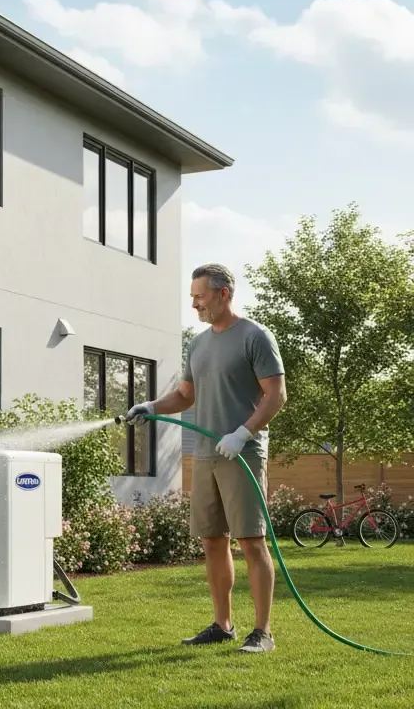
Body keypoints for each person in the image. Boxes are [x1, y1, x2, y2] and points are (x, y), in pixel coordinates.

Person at [126, 263, 287, 654]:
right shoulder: (197, 343)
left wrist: (243, 432)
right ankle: (222, 624)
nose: (194, 303)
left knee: (251, 542)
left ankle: (262, 632)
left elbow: (276, 395)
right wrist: (151, 405)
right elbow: (184, 395)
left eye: (200, 296)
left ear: (223, 294)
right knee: (213, 540)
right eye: (192, 297)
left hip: (242, 452)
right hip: (205, 455)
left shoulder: (255, 337)